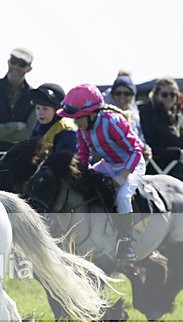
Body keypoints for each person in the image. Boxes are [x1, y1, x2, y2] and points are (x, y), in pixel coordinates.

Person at [57, 84, 146, 263]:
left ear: (92, 113)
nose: (76, 122)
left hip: (131, 164)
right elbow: (83, 155)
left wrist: (123, 175)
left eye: (78, 118)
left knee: (122, 197)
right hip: (108, 164)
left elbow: (136, 150)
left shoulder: (113, 121)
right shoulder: (82, 128)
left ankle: (127, 242)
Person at [139, 77, 183, 181]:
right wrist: (176, 153)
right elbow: (149, 148)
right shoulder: (147, 116)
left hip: (182, 175)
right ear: (156, 95)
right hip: (157, 176)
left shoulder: (180, 118)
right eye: (164, 94)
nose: (169, 98)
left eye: (173, 94)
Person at [29, 83, 77, 154]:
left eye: (45, 109)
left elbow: (63, 161)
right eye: (38, 108)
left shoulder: (67, 130)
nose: (40, 112)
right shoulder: (40, 123)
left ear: (57, 110)